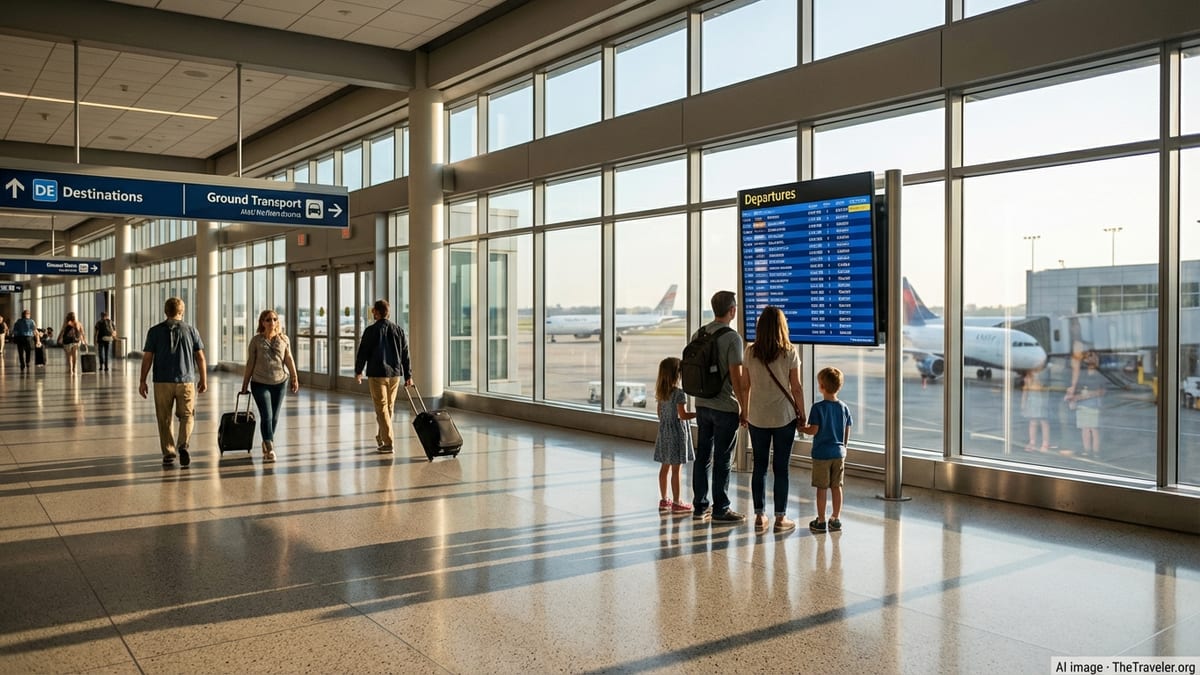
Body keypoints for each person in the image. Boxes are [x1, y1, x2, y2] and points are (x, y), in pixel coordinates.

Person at [742, 306, 805, 534]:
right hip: (784, 417)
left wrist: (744, 410)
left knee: (759, 466)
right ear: (782, 326)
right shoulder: (789, 352)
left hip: (757, 416)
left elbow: (745, 385)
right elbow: (795, 387)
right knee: (781, 468)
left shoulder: (750, 352)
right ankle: (781, 518)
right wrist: (802, 412)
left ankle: (759, 516)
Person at [691, 290, 748, 523]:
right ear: (732, 310)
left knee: (703, 455)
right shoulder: (733, 338)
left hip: (702, 403)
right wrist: (744, 407)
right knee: (723, 459)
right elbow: (737, 376)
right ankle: (721, 508)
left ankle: (699, 506)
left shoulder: (699, 333)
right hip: (725, 405)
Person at [138, 297, 207, 467]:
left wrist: (142, 380)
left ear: (165, 312)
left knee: (164, 417)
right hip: (186, 380)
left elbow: (147, 358)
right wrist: (204, 379)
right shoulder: (191, 331)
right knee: (187, 415)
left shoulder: (154, 332)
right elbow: (200, 357)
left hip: (161, 381)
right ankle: (183, 443)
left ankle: (169, 453)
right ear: (181, 312)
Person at [240, 310, 300, 462]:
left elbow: (289, 358)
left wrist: (294, 377)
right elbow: (250, 363)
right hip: (260, 383)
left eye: (274, 319)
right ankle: (270, 448)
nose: (272, 322)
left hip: (280, 382)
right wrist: (245, 384)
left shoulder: (284, 339)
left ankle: (267, 442)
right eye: (268, 320)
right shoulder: (256, 341)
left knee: (274, 418)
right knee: (266, 416)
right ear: (262, 322)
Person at [354, 299, 412, 454]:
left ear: (378, 312)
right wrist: (408, 375)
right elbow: (405, 354)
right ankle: (381, 437)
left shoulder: (370, 331)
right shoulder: (398, 330)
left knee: (381, 408)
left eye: (374, 310)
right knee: (388, 407)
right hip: (395, 375)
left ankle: (388, 443)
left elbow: (363, 353)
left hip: (377, 374)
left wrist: (358, 371)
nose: (372, 312)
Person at [801, 367, 852, 534]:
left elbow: (814, 430)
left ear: (821, 386)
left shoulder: (818, 408)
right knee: (836, 487)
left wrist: (802, 428)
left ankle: (821, 520)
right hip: (839, 453)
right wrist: (844, 446)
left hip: (822, 454)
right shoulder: (844, 407)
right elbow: (847, 429)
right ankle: (835, 519)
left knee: (821, 488)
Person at [653, 357, 696, 513]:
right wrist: (697, 414)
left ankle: (664, 499)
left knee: (665, 467)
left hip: (664, 432)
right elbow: (682, 415)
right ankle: (677, 502)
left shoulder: (661, 392)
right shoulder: (679, 393)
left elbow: (660, 414)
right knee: (676, 469)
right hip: (677, 433)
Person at [1065, 350, 1105, 458]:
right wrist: (1072, 397)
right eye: (1088, 357)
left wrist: (1079, 397)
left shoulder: (1098, 374)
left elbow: (1100, 391)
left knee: (1093, 429)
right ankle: (1088, 450)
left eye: (1093, 357)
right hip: (1083, 405)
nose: (1090, 360)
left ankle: (1095, 451)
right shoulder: (1082, 374)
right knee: (1085, 429)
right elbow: (1076, 388)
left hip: (1092, 405)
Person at [1021, 364, 1051, 453]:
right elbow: (1025, 390)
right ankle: (1032, 441)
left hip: (1041, 400)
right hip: (1032, 401)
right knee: (1033, 422)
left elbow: (1042, 388)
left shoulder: (1043, 373)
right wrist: (1023, 403)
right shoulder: (1029, 375)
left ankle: (1045, 443)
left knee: (1043, 421)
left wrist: (1035, 380)